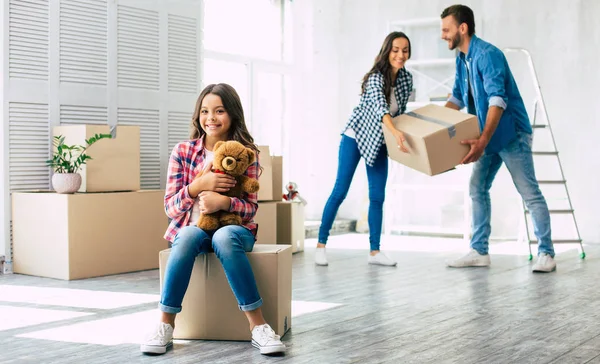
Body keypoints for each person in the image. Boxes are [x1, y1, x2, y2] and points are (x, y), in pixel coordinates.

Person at [140, 83, 287, 355]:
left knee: (224, 236)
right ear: (197, 116)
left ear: (232, 114)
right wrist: (198, 185)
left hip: (235, 230)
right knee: (186, 236)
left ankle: (259, 326)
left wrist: (225, 202)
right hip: (192, 228)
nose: (211, 118)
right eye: (205, 111)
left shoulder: (246, 153)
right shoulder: (183, 151)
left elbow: (250, 209)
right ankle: (165, 325)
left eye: (219, 110)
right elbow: (171, 209)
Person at [440, 5, 556, 272]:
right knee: (477, 187)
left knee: (529, 193)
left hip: (511, 133)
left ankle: (546, 253)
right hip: (486, 134)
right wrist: (432, 127)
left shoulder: (488, 55)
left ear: (462, 28)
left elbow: (497, 101)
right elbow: (457, 97)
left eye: (446, 30)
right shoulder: (462, 58)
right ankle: (479, 251)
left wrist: (481, 141)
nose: (443, 35)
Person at [315, 32, 414, 267]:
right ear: (387, 51)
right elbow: (381, 108)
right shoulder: (375, 78)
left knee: (377, 196)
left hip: (379, 140)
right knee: (340, 191)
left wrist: (403, 134)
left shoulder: (407, 79)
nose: (401, 55)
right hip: (356, 135)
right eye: (396, 50)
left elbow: (402, 112)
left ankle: (375, 252)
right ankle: (320, 245)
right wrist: (396, 132)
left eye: (405, 50)